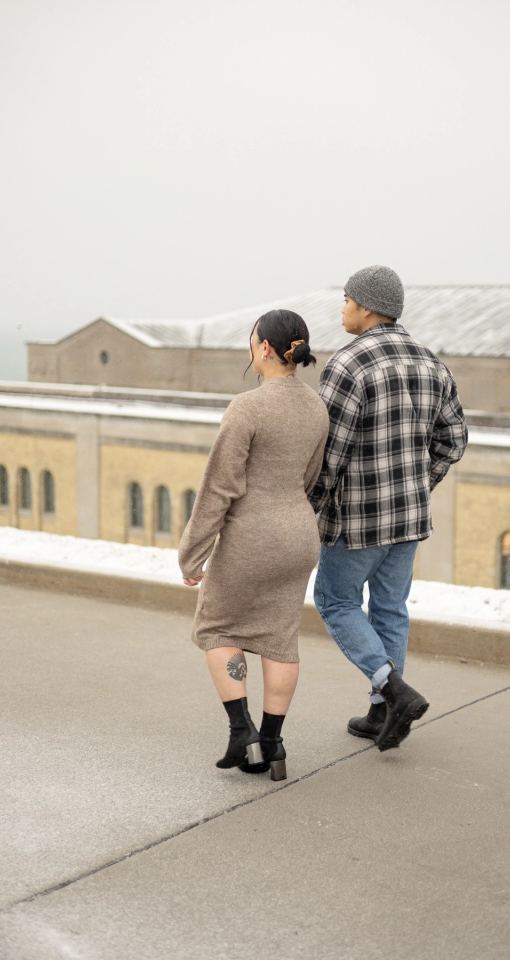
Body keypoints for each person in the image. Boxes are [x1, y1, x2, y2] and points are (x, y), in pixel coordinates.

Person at [309, 266, 468, 752]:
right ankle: (382, 715)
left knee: (335, 601)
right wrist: (419, 484)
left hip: (356, 521)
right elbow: (453, 440)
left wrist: (309, 508)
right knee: (390, 610)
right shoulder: (431, 362)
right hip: (409, 518)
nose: (341, 308)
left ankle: (392, 689)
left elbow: (327, 455)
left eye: (346, 300)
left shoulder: (347, 364)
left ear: (368, 307)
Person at [179, 310, 329, 781]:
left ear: (264, 348)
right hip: (300, 534)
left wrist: (193, 552)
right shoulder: (316, 408)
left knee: (218, 628)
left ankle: (242, 732)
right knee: (280, 638)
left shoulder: (247, 407)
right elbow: (309, 477)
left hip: (252, 536)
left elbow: (219, 488)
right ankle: (274, 742)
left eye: (251, 341)